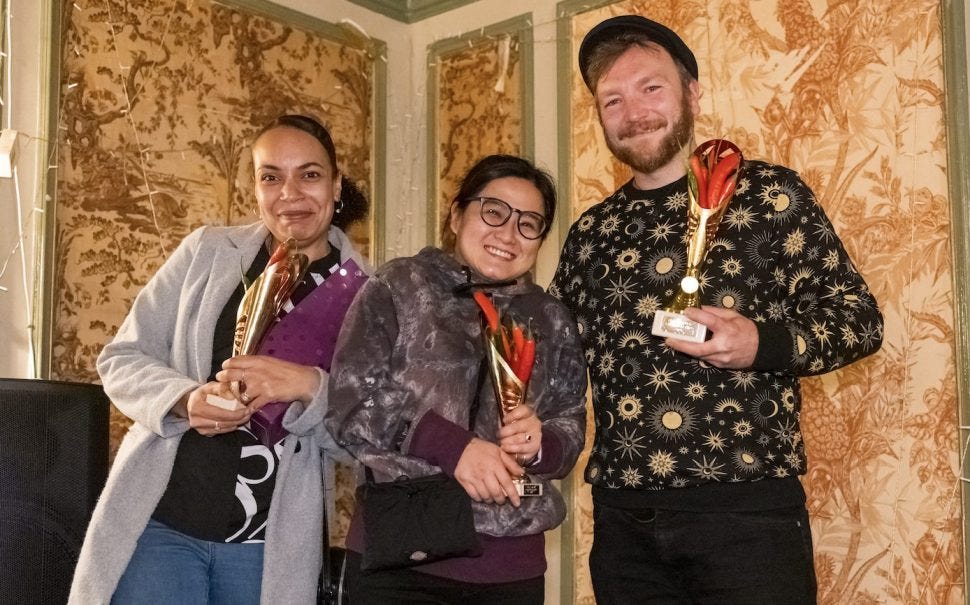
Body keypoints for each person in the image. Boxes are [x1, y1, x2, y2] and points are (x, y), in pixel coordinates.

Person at [550, 15, 884, 605]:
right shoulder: (590, 234)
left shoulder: (771, 194)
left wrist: (763, 344)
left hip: (749, 520)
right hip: (625, 528)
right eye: (613, 100)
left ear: (692, 93)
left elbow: (858, 320)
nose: (635, 112)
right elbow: (556, 362)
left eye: (651, 88)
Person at [69, 114, 370, 604]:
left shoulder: (368, 295)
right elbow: (121, 359)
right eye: (271, 177)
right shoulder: (207, 252)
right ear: (254, 188)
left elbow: (367, 440)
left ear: (336, 185)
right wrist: (185, 399)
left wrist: (310, 387)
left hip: (268, 546)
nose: (289, 194)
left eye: (310, 174)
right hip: (161, 525)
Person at [325, 154, 587, 604]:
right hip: (401, 557)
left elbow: (571, 419)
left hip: (511, 568)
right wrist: (456, 449)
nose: (508, 233)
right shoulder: (400, 285)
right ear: (455, 212)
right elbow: (351, 401)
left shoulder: (550, 316)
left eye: (529, 223)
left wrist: (542, 442)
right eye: (493, 211)